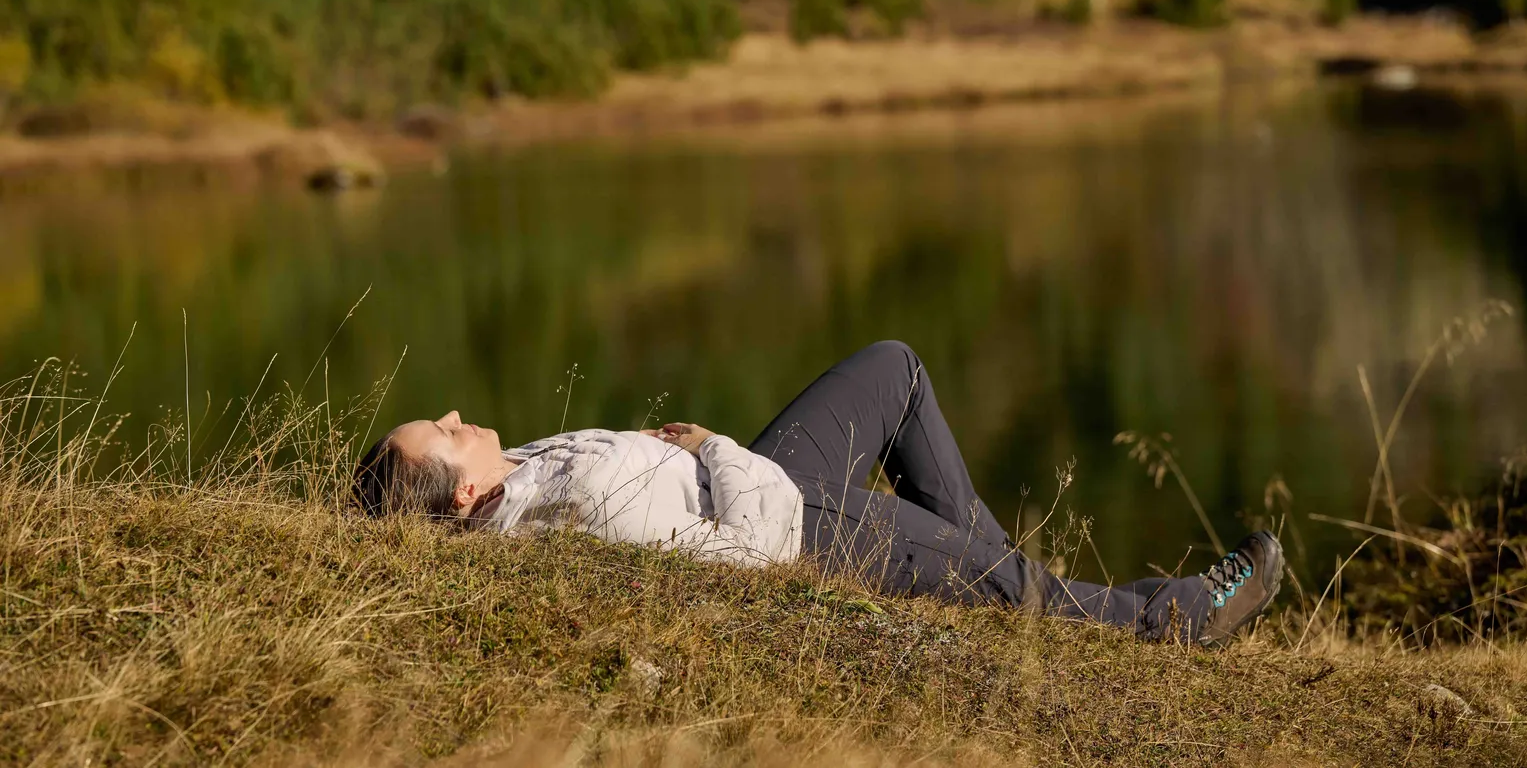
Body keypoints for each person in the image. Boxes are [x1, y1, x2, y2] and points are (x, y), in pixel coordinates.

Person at [355, 341, 1282, 646]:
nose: (452, 412)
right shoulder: (565, 515)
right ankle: (1167, 621)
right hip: (800, 524)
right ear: (467, 498)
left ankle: (1001, 578)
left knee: (894, 370)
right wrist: (717, 447)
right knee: (994, 578)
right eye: (441, 433)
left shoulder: (514, 466)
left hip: (764, 475)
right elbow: (748, 555)